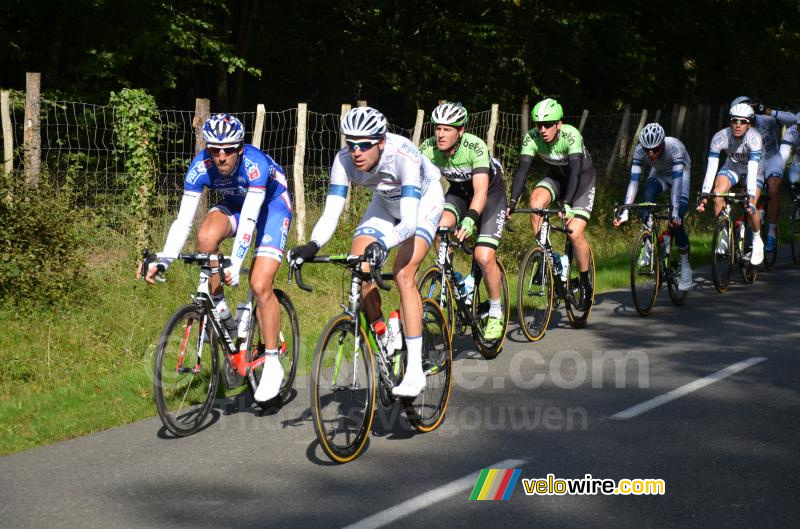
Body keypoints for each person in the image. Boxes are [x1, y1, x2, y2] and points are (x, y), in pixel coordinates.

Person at [288, 107, 444, 398]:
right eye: (351, 143)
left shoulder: (403, 155)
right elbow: (331, 212)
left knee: (403, 274)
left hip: (422, 204)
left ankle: (413, 372)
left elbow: (409, 223)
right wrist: (312, 245)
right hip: (384, 204)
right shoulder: (343, 160)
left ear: (381, 142)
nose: (356, 151)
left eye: (365, 144)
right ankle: (384, 333)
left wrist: (383, 244)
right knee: (359, 264)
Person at [142, 113, 292, 403]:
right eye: (214, 149)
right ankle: (221, 308)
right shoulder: (200, 166)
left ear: (239, 148)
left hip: (270, 207)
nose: (221, 156)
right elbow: (182, 221)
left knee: (260, 284)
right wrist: (164, 259)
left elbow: (250, 219)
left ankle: (272, 361)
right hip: (236, 205)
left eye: (228, 149)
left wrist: (236, 261)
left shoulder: (255, 164)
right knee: (205, 238)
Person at [419, 102, 507, 340]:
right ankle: (456, 280)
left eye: (447, 129)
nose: (440, 134)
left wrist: (469, 220)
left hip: (490, 195)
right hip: (458, 192)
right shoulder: (428, 148)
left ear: (461, 131)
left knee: (483, 256)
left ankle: (496, 312)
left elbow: (480, 192)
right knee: (441, 229)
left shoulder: (474, 147)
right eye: (437, 128)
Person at [508, 98, 596, 310]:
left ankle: (585, 283)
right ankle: (549, 256)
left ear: (559, 124)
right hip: (556, 177)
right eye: (539, 124)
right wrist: (511, 202)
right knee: (536, 202)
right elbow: (522, 171)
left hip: (581, 179)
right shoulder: (532, 138)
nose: (543, 129)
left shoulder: (571, 135)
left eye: (548, 124)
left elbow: (575, 172)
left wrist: (567, 204)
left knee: (574, 232)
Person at [613, 123, 693, 290]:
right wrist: (626, 210)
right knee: (647, 194)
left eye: (655, 149)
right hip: (659, 174)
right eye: (648, 149)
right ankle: (648, 239)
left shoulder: (675, 148)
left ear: (662, 143)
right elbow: (633, 182)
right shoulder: (640, 150)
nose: (651, 153)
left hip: (680, 175)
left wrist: (675, 212)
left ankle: (685, 267)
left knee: (676, 221)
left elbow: (677, 186)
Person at [697, 103, 764, 265]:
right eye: (734, 121)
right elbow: (712, 168)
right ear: (730, 122)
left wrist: (750, 194)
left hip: (753, 169)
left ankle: (757, 239)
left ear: (749, 124)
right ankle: (724, 234)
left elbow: (753, 168)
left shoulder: (754, 138)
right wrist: (705, 195)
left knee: (750, 205)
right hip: (732, 167)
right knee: (718, 193)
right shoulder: (720, 137)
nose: (738, 125)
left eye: (742, 122)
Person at [730, 96, 796, 253]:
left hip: (772, 158)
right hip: (753, 162)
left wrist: (769, 111)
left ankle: (772, 233)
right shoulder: (737, 129)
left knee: (773, 188)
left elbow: (793, 120)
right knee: (745, 192)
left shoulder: (764, 119)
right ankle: (747, 223)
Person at [779, 115, 800, 203]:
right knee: (793, 179)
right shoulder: (791, 131)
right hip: (798, 160)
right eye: (799, 125)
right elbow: (783, 155)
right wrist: (778, 173)